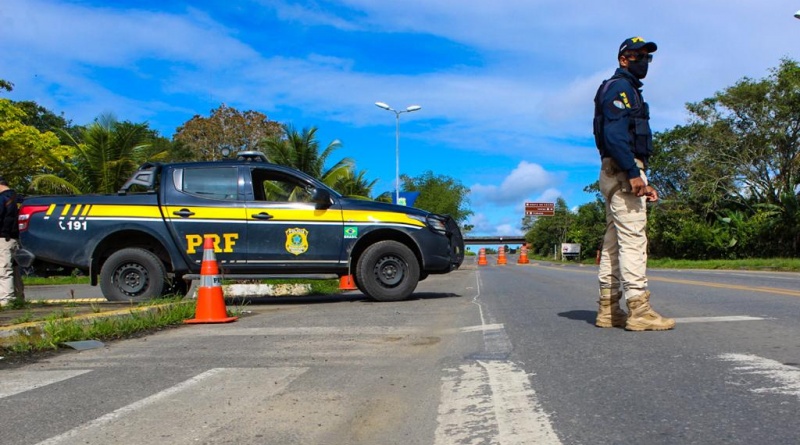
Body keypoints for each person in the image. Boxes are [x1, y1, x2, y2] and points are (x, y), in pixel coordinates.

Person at [592, 37, 675, 331]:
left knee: (614, 242)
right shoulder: (619, 88)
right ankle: (639, 310)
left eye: (647, 57)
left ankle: (608, 310)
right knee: (633, 240)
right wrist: (633, 172)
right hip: (622, 170)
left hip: (619, 170)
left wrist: (638, 175)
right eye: (637, 56)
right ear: (623, 59)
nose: (644, 61)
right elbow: (615, 136)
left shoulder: (626, 90)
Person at [0, 175, 23, 307]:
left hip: (3, 238)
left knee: (3, 270)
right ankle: (20, 297)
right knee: (15, 270)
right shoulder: (19, 198)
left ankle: (6, 300)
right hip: (16, 239)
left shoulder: (2, 198)